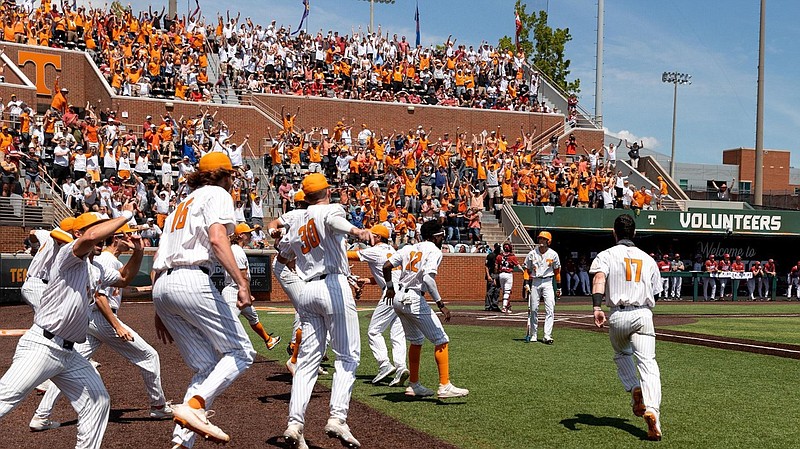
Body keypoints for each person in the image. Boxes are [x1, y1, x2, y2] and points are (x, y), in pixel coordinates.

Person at [0, 206, 137, 449]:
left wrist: (138, 252)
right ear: (79, 234)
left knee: (98, 401)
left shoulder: (96, 268)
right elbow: (91, 237)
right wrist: (125, 216)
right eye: (95, 229)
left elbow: (124, 278)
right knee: (5, 399)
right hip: (42, 346)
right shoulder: (67, 254)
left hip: (68, 353)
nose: (101, 237)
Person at [152, 152, 256, 446]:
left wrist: (160, 310)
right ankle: (195, 406)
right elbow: (217, 239)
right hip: (192, 277)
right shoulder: (218, 194)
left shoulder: (179, 206)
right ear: (223, 175)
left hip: (164, 286)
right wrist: (241, 282)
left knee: (205, 366)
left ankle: (181, 442)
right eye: (231, 176)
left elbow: (159, 260)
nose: (233, 181)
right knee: (241, 352)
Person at [31, 223, 172, 431]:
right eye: (126, 236)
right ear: (115, 239)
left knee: (65, 364)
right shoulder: (105, 259)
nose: (130, 239)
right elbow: (99, 296)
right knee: (149, 356)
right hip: (103, 320)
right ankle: (158, 405)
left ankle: (41, 416)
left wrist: (138, 252)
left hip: (93, 323)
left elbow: (121, 282)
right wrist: (116, 326)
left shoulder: (109, 260)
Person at [280, 173, 375, 449]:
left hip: (307, 287)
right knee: (347, 355)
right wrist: (357, 231)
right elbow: (334, 221)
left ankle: (294, 423)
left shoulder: (297, 217)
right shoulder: (330, 209)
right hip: (332, 284)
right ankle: (337, 417)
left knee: (307, 362)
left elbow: (284, 255)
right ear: (327, 191)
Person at [589, 213, 663, 441]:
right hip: (642, 313)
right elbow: (657, 293)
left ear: (614, 233)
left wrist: (597, 307)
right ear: (635, 233)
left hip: (618, 314)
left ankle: (633, 388)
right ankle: (653, 412)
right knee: (648, 363)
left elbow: (599, 279)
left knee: (622, 354)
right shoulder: (648, 259)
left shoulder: (606, 255)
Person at [383, 219, 469, 400]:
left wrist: (390, 286)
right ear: (434, 237)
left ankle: (414, 385)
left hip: (398, 297)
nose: (442, 238)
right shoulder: (434, 251)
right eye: (441, 235)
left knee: (416, 340)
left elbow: (387, 266)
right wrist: (441, 304)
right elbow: (429, 280)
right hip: (414, 297)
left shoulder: (408, 248)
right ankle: (445, 385)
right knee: (441, 339)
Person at [348, 224, 409, 387]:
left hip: (391, 292)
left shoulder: (376, 250)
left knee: (374, 331)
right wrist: (369, 280)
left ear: (379, 237)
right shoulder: (393, 251)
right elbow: (391, 274)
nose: (369, 237)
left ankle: (384, 364)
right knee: (398, 334)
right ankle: (401, 367)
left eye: (372, 235)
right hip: (404, 293)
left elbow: (352, 255)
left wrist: (331, 250)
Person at [222, 223, 281, 350]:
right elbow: (243, 277)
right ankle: (221, 348)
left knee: (253, 317)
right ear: (241, 235)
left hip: (238, 290)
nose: (250, 235)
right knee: (229, 322)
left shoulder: (236, 249)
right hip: (234, 291)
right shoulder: (237, 251)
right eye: (248, 233)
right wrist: (247, 294)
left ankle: (268, 340)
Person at [523, 231, 562, 344]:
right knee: (534, 308)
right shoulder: (532, 254)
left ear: (548, 241)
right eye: (540, 239)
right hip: (535, 281)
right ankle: (534, 334)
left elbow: (557, 271)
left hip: (548, 282)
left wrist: (559, 287)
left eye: (544, 239)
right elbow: (526, 270)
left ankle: (547, 335)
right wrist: (526, 283)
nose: (541, 241)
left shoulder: (553, 254)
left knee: (550, 308)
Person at [496, 242, 522, 313]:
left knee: (505, 292)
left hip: (501, 274)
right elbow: (518, 266)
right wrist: (523, 271)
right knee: (507, 292)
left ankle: (507, 306)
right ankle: (504, 307)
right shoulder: (512, 256)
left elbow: (496, 266)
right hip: (508, 274)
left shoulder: (499, 256)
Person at [484, 243, 501, 311]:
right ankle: (488, 306)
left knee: (497, 291)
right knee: (490, 291)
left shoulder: (500, 256)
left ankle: (495, 305)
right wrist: (488, 276)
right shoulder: (490, 256)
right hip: (491, 274)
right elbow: (486, 266)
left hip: (498, 274)